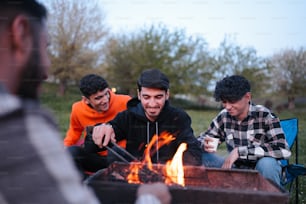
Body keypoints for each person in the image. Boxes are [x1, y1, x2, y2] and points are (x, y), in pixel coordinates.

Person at [0, 0, 99, 203]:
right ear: (21, 33)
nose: (46, 69)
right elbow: (72, 135)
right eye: (45, 48)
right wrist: (150, 198)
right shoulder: (13, 123)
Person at [88, 68, 202, 166]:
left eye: (158, 97)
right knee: (76, 153)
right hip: (134, 173)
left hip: (166, 174)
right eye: (146, 97)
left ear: (167, 95)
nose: (152, 104)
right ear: (139, 95)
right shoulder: (127, 117)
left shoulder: (178, 117)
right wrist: (100, 130)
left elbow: (193, 149)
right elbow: (91, 147)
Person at [197, 75, 291, 187]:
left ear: (247, 97)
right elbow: (203, 138)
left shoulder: (264, 115)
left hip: (261, 171)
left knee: (267, 163)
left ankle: (270, 198)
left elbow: (283, 150)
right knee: (199, 154)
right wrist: (205, 143)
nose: (227, 107)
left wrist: (240, 151)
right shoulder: (224, 116)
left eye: (232, 101)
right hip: (234, 169)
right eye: (224, 102)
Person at [64, 74, 131, 176]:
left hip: (121, 156)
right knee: (71, 152)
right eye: (98, 98)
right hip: (96, 157)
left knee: (115, 152)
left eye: (106, 94)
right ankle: (83, 185)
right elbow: (74, 131)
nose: (105, 100)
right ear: (86, 100)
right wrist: (63, 150)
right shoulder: (77, 109)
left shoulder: (125, 102)